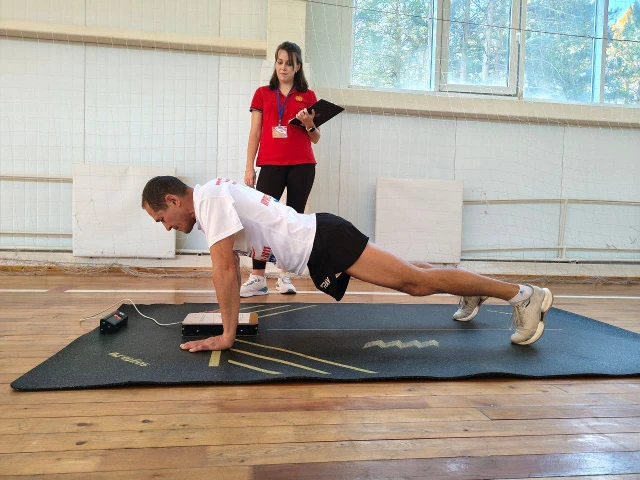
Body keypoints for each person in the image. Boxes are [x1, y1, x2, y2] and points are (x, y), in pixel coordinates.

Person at [142, 176, 554, 353]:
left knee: (415, 283)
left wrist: (227, 335)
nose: (168, 227)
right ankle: (473, 289)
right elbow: (233, 260)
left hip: (325, 241)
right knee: (413, 273)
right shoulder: (212, 195)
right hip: (322, 238)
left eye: (162, 219)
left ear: (174, 201)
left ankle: (524, 296)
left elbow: (225, 271)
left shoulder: (209, 199)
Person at [242, 41, 320, 298]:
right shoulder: (262, 93)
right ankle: (258, 278)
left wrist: (309, 123)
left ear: (298, 67)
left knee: (292, 221)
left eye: (289, 63)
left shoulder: (308, 96)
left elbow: (315, 137)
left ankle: (284, 275)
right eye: (279, 62)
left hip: (302, 165)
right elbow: (255, 133)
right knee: (261, 220)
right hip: (270, 164)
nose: (283, 67)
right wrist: (249, 168)